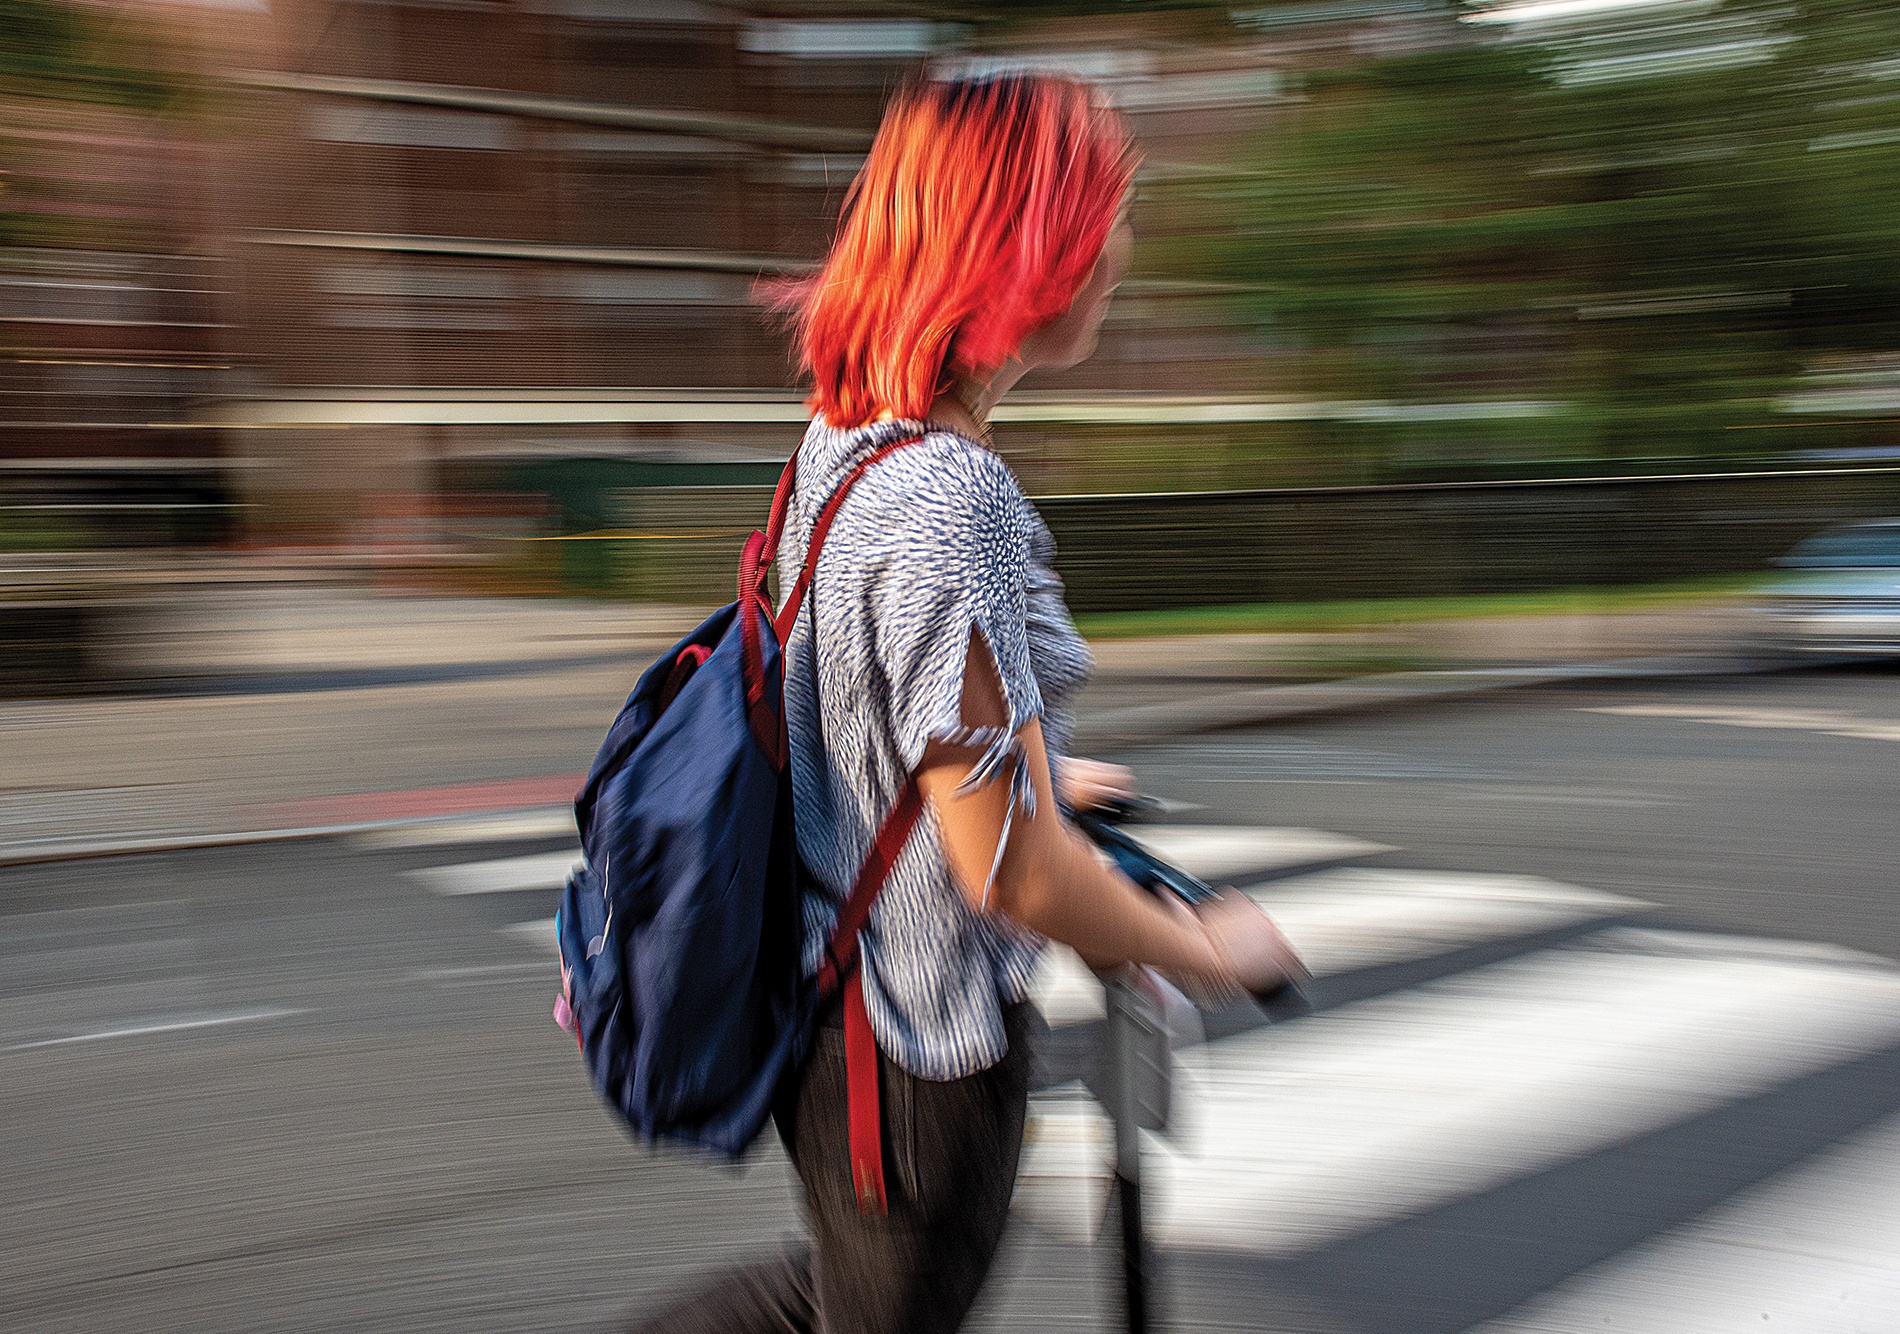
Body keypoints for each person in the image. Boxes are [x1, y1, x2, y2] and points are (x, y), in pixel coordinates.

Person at [634, 73, 1301, 1334]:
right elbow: (1010, 872)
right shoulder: (956, 498)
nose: (1119, 251)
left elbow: (862, 713)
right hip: (914, 1060)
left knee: (842, 1296)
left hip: (823, 1012)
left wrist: (1039, 769)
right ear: (1022, 248)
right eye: (1096, 218)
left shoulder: (842, 446)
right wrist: (1204, 949)